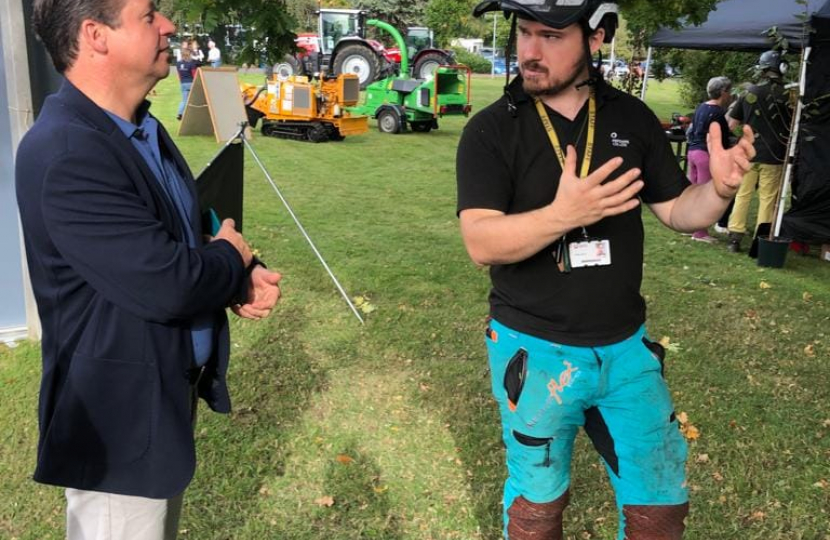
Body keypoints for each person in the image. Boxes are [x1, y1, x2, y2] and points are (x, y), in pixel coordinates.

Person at [456, 1, 755, 538]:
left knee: (660, 507)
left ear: (596, 38)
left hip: (625, 351)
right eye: (524, 33)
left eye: (549, 36)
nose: (529, 51)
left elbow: (676, 210)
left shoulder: (631, 118)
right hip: (534, 349)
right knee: (536, 508)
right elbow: (481, 241)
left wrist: (720, 190)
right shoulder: (491, 130)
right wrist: (562, 215)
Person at [16, 1, 282, 539]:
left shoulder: (139, 128)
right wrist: (231, 258)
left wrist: (236, 266)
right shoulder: (68, 151)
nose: (169, 26)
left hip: (158, 405)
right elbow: (167, 282)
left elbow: (168, 239)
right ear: (96, 35)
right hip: (118, 430)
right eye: (149, 15)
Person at [725, 50, 793, 253]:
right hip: (774, 154)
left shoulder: (748, 92)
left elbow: (731, 123)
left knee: (743, 195)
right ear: (782, 68)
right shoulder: (789, 94)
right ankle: (760, 241)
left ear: (762, 69)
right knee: (768, 198)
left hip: (747, 152)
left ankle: (734, 238)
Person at [686, 75, 733, 243]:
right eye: (729, 91)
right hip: (706, 155)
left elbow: (691, 131)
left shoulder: (701, 107)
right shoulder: (719, 113)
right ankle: (700, 233)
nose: (730, 95)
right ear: (723, 92)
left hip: (692, 152)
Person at [176, 42, 198, 120]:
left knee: (184, 100)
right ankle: (194, 114)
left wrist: (181, 82)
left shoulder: (178, 64)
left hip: (183, 83)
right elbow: (195, 74)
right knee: (196, 99)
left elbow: (179, 74)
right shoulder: (191, 63)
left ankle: (179, 113)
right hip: (191, 82)